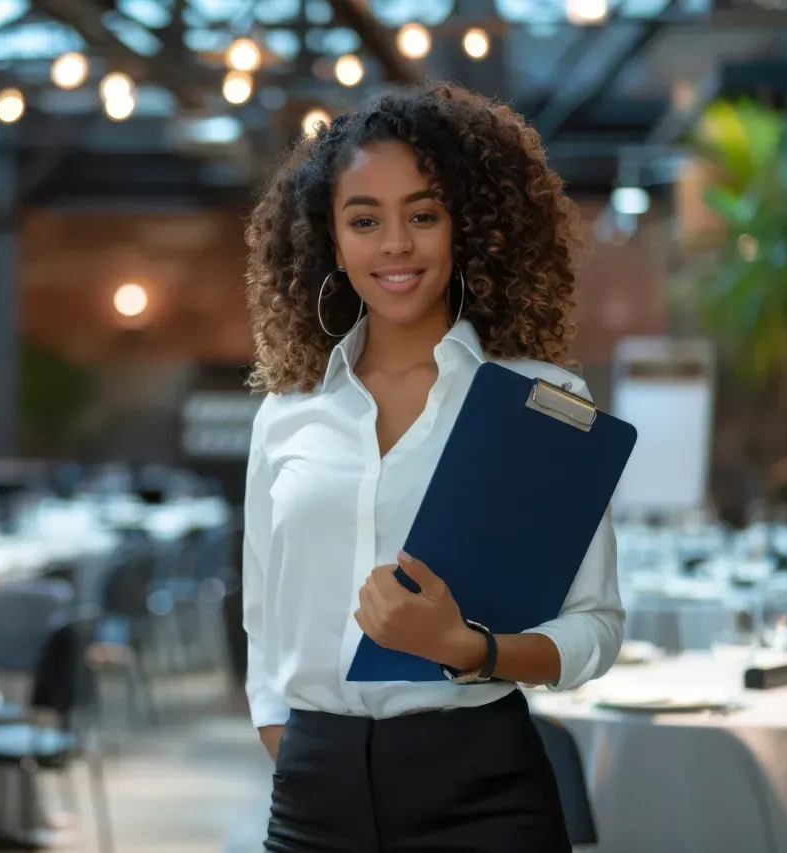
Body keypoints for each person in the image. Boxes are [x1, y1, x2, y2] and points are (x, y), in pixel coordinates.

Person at [240, 82, 623, 852]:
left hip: (481, 788)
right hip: (315, 796)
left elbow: (597, 627)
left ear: (465, 229)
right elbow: (265, 626)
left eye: (423, 214)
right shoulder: (287, 413)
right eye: (364, 220)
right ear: (331, 241)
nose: (395, 245)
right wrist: (296, 749)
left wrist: (466, 648)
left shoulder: (539, 401)